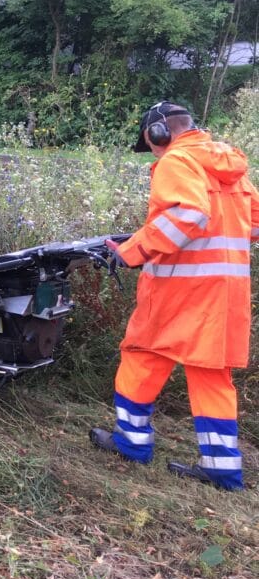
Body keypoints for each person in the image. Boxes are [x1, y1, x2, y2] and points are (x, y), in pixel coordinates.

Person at [89, 102, 258, 491]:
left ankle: (131, 444)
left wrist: (132, 251)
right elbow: (253, 225)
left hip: (178, 292)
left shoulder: (176, 161)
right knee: (211, 374)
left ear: (159, 133)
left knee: (142, 355)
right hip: (224, 295)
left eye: (150, 144)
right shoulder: (228, 165)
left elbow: (188, 215)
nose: (152, 152)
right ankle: (221, 469)